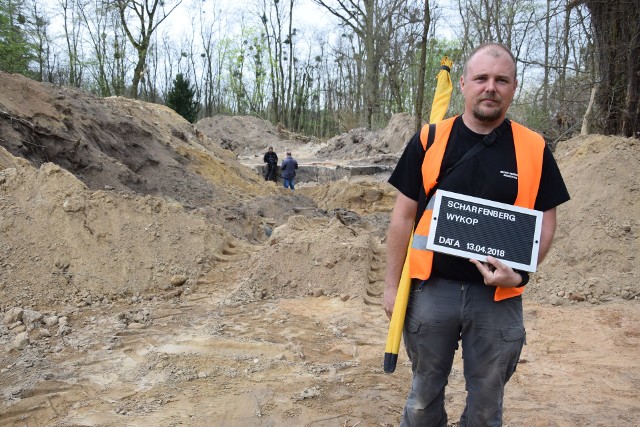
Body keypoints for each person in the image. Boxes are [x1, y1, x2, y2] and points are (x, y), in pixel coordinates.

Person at [383, 43, 570, 426]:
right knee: (421, 401)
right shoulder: (428, 140)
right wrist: (390, 286)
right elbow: (402, 218)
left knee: (487, 406)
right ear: (464, 83)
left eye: (501, 80)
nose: (490, 87)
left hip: (497, 299)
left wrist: (519, 275)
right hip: (431, 291)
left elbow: (545, 222)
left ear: (514, 87)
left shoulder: (534, 149)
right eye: (481, 78)